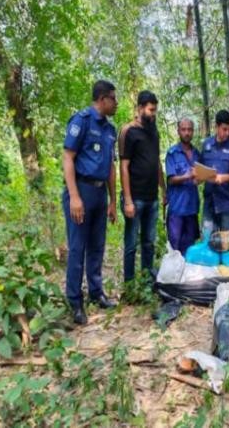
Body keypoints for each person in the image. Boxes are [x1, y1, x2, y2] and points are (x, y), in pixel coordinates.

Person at [62, 80, 119, 325]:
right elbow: (68, 157)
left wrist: (113, 200)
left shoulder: (110, 130)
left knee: (97, 246)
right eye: (113, 99)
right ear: (102, 99)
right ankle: (75, 301)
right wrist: (74, 196)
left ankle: (96, 292)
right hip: (81, 190)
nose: (116, 103)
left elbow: (111, 167)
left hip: (99, 193)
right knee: (77, 248)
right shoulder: (82, 121)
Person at [119, 90, 165, 280]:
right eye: (150, 110)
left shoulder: (154, 131)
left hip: (152, 197)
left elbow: (156, 162)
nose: (153, 114)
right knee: (131, 243)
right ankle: (130, 284)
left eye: (155, 110)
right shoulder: (128, 131)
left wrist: (164, 190)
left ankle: (147, 281)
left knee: (149, 242)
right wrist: (128, 200)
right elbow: (123, 166)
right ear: (140, 108)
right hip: (135, 198)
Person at [200, 110, 229, 234]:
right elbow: (200, 167)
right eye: (224, 129)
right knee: (207, 239)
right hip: (209, 202)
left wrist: (224, 178)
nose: (227, 133)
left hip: (228, 202)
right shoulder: (207, 144)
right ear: (216, 127)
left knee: (226, 241)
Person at [165, 118, 201, 254]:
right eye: (184, 129)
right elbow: (171, 180)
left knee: (190, 249)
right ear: (178, 131)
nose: (187, 133)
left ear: (193, 131)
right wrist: (187, 176)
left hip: (192, 208)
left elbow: (200, 177)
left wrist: (201, 178)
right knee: (175, 249)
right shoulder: (172, 153)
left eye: (189, 130)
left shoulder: (197, 153)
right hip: (177, 209)